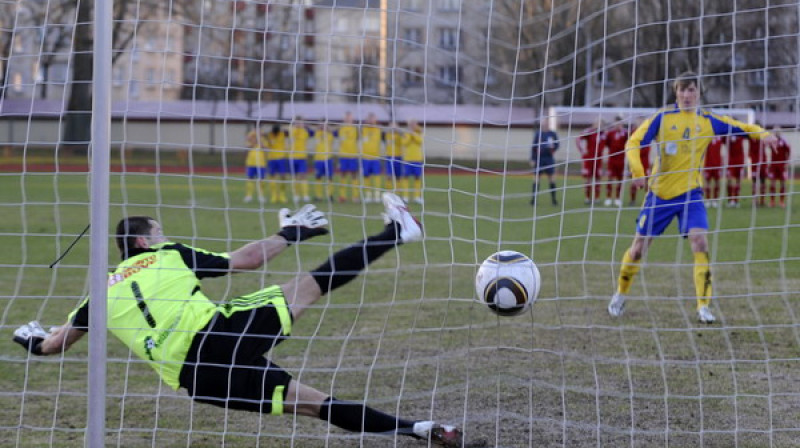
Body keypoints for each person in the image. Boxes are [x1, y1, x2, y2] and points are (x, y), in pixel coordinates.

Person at [12, 194, 466, 448]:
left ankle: (421, 431)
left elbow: (53, 345)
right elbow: (246, 260)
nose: (163, 235)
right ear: (142, 240)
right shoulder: (168, 256)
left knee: (312, 404)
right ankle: (399, 232)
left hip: (196, 381)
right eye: (158, 230)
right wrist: (292, 234)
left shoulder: (99, 295)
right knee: (311, 285)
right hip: (216, 338)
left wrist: (27, 337)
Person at [607, 71, 777, 324]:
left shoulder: (707, 121)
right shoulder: (662, 118)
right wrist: (637, 171)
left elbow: (740, 127)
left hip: (691, 194)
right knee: (639, 248)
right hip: (659, 194)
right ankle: (620, 294)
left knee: (700, 242)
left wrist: (762, 134)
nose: (687, 95)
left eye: (692, 90)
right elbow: (633, 142)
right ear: (676, 92)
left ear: (699, 93)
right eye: (682, 90)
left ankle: (704, 306)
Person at [529, 119, 560, 206]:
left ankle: (554, 200)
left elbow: (557, 144)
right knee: (536, 179)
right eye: (543, 123)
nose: (545, 125)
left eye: (546, 123)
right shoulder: (538, 134)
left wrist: (552, 149)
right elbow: (533, 147)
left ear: (548, 124)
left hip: (549, 159)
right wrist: (532, 159)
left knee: (552, 179)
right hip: (539, 159)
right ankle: (533, 200)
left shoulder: (552, 134)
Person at [576, 119, 605, 205]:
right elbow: (578, 139)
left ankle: (597, 198)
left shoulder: (604, 134)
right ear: (594, 123)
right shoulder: (589, 131)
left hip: (599, 160)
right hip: (589, 160)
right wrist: (582, 150)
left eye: (601, 124)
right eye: (597, 123)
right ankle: (587, 198)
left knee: (598, 179)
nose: (599, 125)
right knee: (587, 179)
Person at [603, 117, 629, 207]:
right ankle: (608, 198)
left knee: (620, 180)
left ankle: (618, 198)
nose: (618, 125)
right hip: (612, 160)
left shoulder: (626, 133)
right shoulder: (610, 133)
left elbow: (629, 143)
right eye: (616, 123)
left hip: (621, 161)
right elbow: (606, 144)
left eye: (620, 123)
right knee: (610, 179)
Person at [336, 111, 360, 203]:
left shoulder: (355, 128)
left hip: (353, 155)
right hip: (343, 155)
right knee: (343, 175)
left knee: (354, 175)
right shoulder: (341, 128)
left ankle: (355, 196)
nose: (348, 119)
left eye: (350, 117)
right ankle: (342, 196)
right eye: (347, 117)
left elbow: (358, 138)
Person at [289, 116, 313, 203]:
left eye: (301, 122)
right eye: (297, 122)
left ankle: (305, 195)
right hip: (293, 157)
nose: (299, 124)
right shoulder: (292, 130)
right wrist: (296, 127)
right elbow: (292, 135)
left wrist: (305, 126)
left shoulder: (305, 132)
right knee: (294, 177)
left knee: (303, 176)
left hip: (302, 157)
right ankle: (296, 195)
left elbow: (311, 133)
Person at [360, 112, 384, 203]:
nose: (370, 120)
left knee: (377, 177)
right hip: (365, 158)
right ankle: (368, 195)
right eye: (369, 118)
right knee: (366, 177)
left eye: (372, 118)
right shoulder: (363, 129)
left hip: (375, 158)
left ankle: (377, 195)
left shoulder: (378, 129)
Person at [628, 118, 651, 205]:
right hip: (636, 160)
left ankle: (648, 199)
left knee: (648, 181)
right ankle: (632, 200)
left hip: (645, 161)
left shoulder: (648, 132)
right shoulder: (633, 133)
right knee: (634, 181)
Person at [401, 119, 424, 204]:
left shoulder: (419, 133)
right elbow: (404, 143)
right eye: (411, 124)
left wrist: (413, 134)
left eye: (414, 124)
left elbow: (420, 141)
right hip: (407, 159)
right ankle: (405, 196)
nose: (413, 126)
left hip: (417, 159)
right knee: (405, 177)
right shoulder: (405, 133)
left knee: (417, 178)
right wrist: (410, 134)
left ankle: (417, 197)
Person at [767, 127, 791, 208]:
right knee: (772, 183)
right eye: (775, 132)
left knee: (782, 183)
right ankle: (772, 201)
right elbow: (767, 145)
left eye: (778, 132)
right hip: (773, 165)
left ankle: (781, 202)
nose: (777, 133)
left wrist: (787, 163)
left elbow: (788, 151)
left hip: (782, 165)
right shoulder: (772, 141)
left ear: (780, 132)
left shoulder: (784, 141)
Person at [265, 124, 290, 204]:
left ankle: (282, 195)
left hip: (281, 158)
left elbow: (288, 132)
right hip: (272, 158)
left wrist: (283, 128)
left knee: (283, 176)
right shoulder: (269, 135)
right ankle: (274, 195)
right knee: (272, 176)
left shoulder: (282, 134)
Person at [312, 121, 336, 201]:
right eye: (321, 124)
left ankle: (330, 195)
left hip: (328, 158)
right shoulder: (317, 133)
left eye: (324, 124)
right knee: (318, 177)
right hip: (318, 159)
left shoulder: (329, 135)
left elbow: (332, 135)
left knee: (329, 177)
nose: (322, 126)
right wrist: (319, 127)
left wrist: (328, 128)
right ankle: (319, 196)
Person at [243, 126, 267, 204]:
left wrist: (259, 140)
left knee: (261, 180)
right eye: (255, 130)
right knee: (250, 179)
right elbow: (248, 146)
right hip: (251, 162)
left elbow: (265, 147)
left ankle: (261, 196)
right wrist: (254, 140)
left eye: (259, 130)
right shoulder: (250, 138)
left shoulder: (263, 139)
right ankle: (249, 196)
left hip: (261, 163)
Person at [725, 131, 748, 208]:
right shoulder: (728, 135)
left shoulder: (741, 134)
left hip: (740, 161)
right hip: (730, 161)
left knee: (738, 181)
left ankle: (736, 200)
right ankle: (730, 200)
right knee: (730, 180)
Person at [702, 135, 724, 208]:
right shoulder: (707, 137)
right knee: (707, 182)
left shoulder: (720, 137)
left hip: (718, 163)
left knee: (717, 182)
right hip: (708, 163)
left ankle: (715, 200)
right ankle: (708, 200)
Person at [749, 130, 769, 207]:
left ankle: (762, 201)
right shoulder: (751, 137)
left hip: (763, 161)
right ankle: (755, 201)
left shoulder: (763, 137)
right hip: (754, 162)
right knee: (754, 182)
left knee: (763, 181)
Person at [384, 120, 405, 193]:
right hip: (389, 157)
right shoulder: (387, 134)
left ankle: (398, 193)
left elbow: (404, 136)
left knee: (398, 176)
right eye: (391, 125)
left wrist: (398, 130)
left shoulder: (400, 134)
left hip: (398, 157)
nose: (393, 127)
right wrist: (390, 128)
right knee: (389, 176)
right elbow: (384, 131)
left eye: (395, 125)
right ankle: (388, 192)